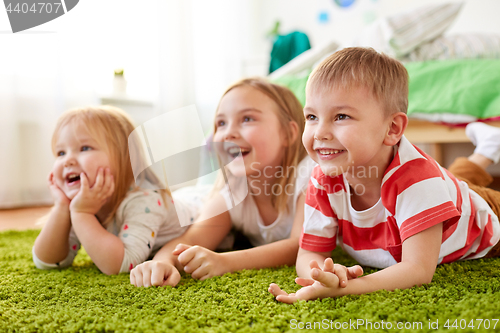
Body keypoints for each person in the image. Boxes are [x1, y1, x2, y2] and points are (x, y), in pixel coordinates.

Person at [268, 47, 500, 303]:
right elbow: (308, 253)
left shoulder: (418, 181)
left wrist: (345, 289)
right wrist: (324, 275)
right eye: (311, 116)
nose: (319, 132)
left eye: (341, 116)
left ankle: (487, 149)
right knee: (452, 182)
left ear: (392, 128)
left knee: (451, 187)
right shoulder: (322, 179)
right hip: (442, 190)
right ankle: (488, 148)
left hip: (484, 215)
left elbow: (418, 270)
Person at [130, 78, 318, 287]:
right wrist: (163, 261)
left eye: (247, 118)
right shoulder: (234, 191)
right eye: (221, 123)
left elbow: (299, 246)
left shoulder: (310, 175)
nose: (228, 132)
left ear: (288, 133)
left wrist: (224, 261)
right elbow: (191, 239)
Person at [33, 106, 196, 275]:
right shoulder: (82, 202)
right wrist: (62, 207)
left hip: (198, 213)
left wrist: (82, 214)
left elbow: (123, 264)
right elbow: (49, 261)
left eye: (85, 148)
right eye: (61, 152)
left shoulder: (144, 200)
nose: (67, 161)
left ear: (125, 157)